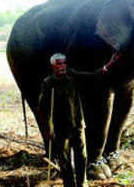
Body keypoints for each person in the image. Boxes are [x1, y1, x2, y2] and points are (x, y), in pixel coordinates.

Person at [37, 53, 89, 187]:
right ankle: (69, 184)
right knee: (64, 160)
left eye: (64, 63)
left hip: (77, 125)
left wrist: (105, 68)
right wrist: (47, 128)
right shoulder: (48, 83)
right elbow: (43, 109)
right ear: (53, 66)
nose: (62, 66)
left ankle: (82, 183)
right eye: (59, 63)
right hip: (60, 128)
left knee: (81, 157)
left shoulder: (73, 79)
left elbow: (91, 77)